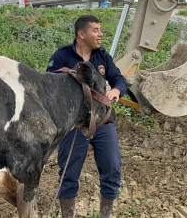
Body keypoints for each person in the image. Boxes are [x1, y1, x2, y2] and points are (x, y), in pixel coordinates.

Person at [47, 15, 127, 218]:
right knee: (68, 172)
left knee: (113, 167)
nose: (100, 34)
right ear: (81, 34)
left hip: (103, 121)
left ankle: (106, 215)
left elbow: (119, 79)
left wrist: (117, 90)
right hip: (74, 125)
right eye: (95, 30)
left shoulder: (103, 57)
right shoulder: (62, 56)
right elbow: (50, 86)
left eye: (100, 30)